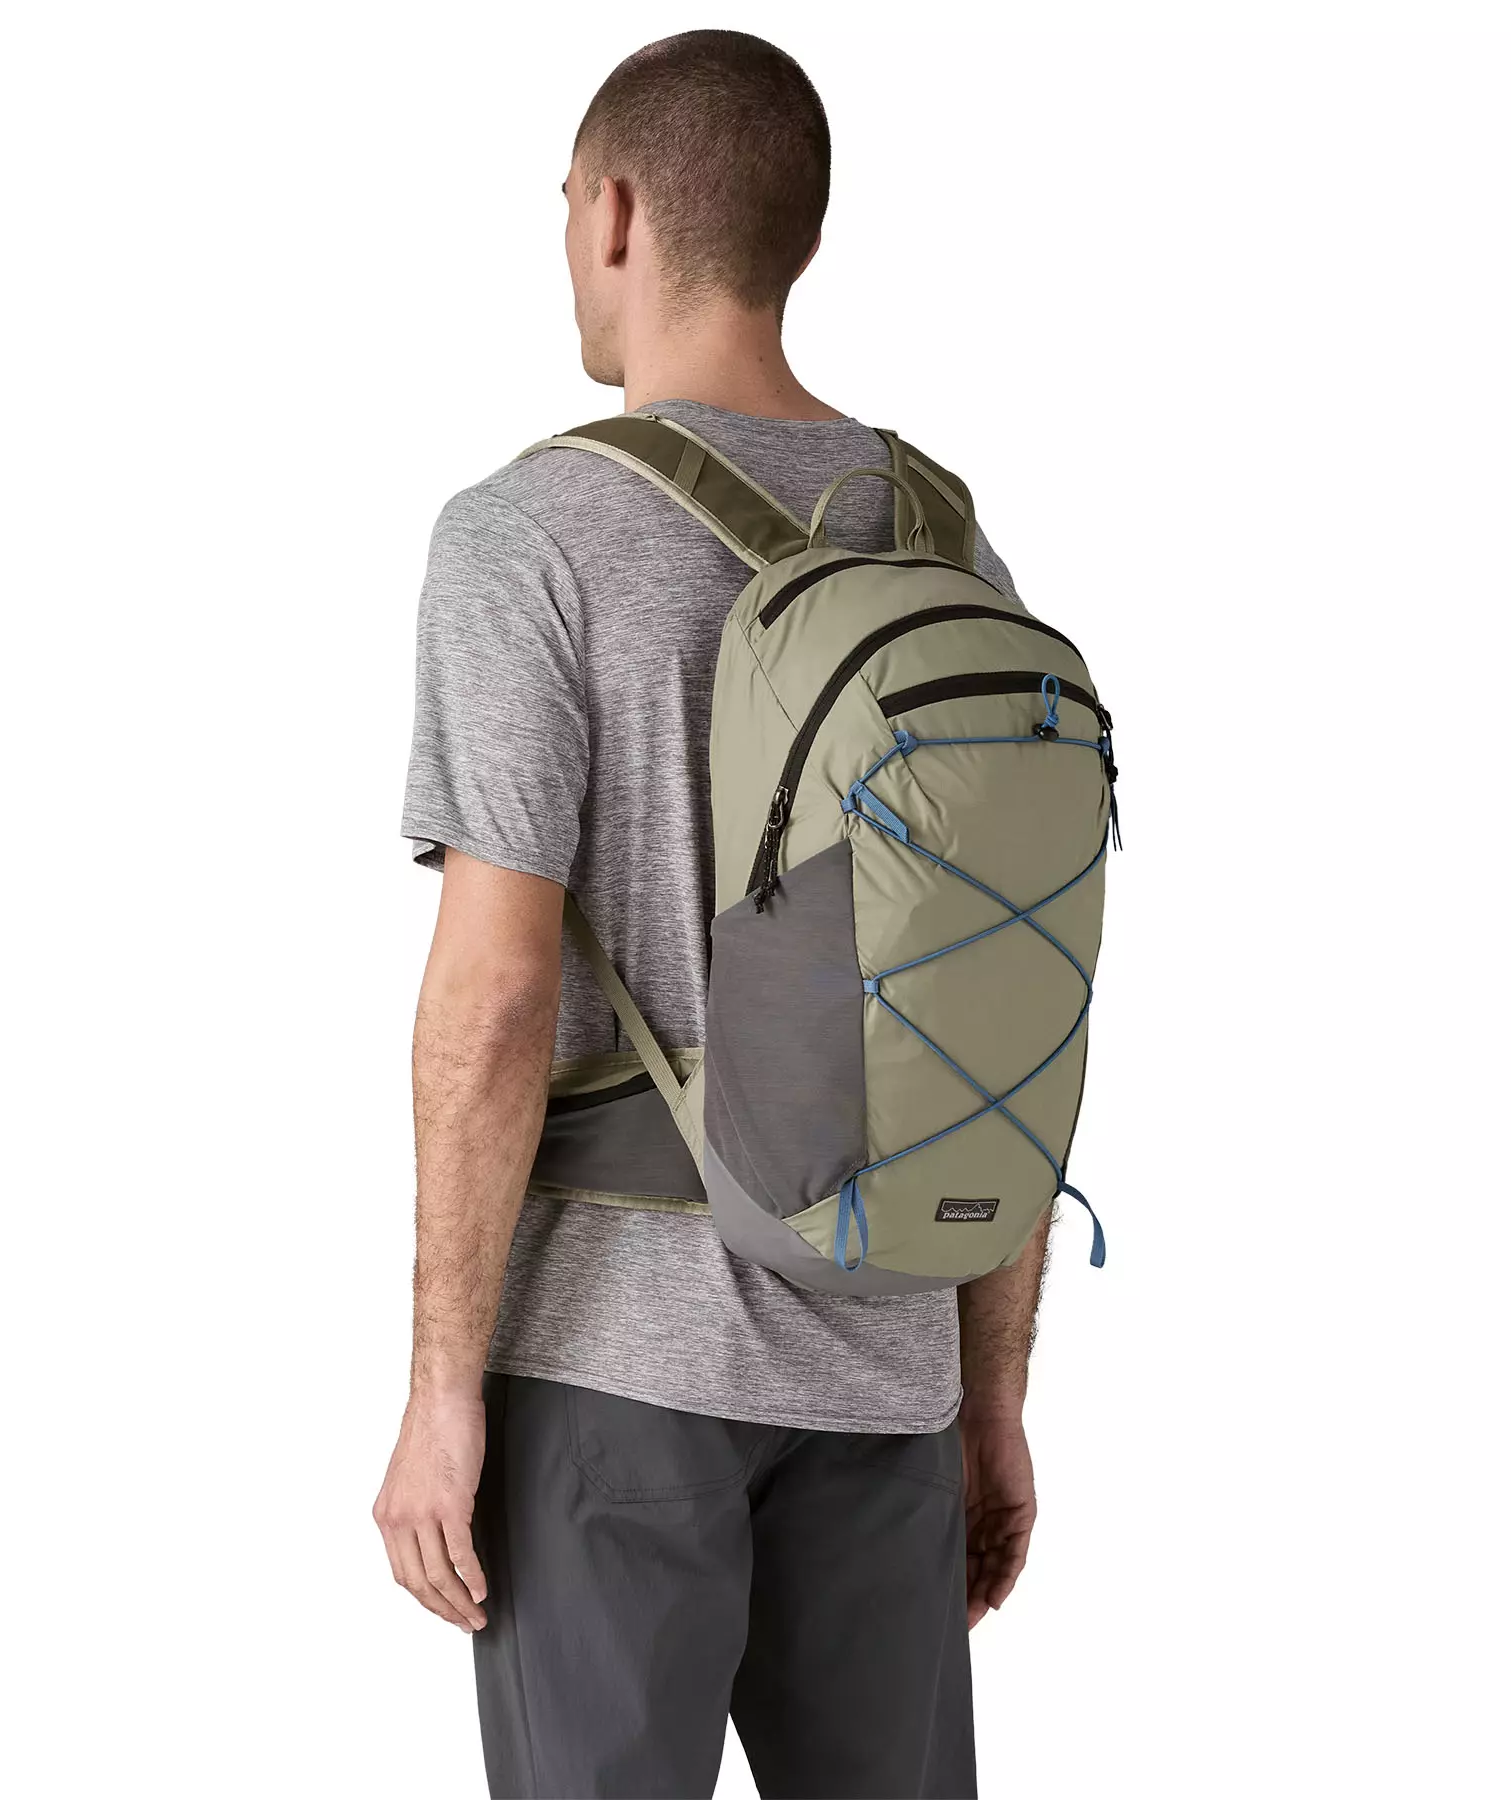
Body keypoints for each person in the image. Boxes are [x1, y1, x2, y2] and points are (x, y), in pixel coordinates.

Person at [376, 30, 1052, 1800]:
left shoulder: (527, 535)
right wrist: (991, 1395)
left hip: (612, 1378)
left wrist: (443, 1390)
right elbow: (1009, 994)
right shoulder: (944, 542)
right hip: (893, 1370)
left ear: (614, 213)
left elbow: (492, 999)